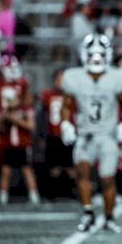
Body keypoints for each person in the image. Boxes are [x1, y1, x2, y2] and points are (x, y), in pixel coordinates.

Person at [60, 33, 122, 233]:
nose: (96, 58)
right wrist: (66, 123)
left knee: (107, 178)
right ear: (84, 55)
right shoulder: (73, 77)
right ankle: (88, 212)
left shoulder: (117, 76)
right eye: (92, 54)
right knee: (82, 172)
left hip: (107, 135)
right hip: (85, 135)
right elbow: (67, 104)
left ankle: (109, 218)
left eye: (100, 54)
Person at [40, 68, 76, 199]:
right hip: (53, 134)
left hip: (69, 135)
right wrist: (42, 136)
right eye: (59, 79)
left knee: (71, 167)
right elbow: (43, 117)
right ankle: (53, 193)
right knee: (53, 167)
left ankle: (72, 192)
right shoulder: (48, 95)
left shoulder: (72, 94)